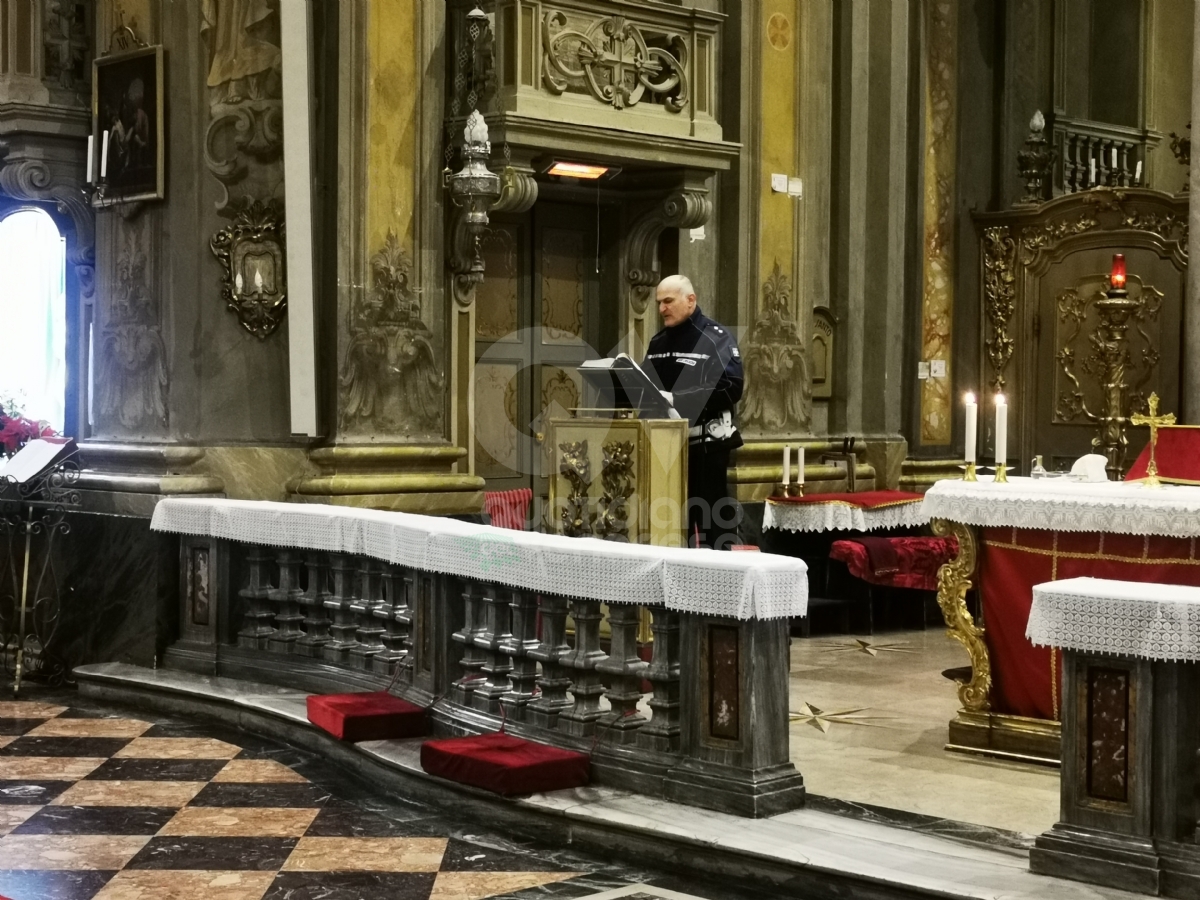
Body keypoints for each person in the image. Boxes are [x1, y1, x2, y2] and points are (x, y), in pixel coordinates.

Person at [642, 274, 744, 549]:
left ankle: (719, 588)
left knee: (713, 530)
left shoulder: (716, 338)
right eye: (659, 303)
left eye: (668, 301)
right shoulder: (658, 343)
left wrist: (677, 399)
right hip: (666, 451)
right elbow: (645, 390)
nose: (662, 308)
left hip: (707, 450)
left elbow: (730, 387)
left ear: (690, 300)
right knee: (672, 529)